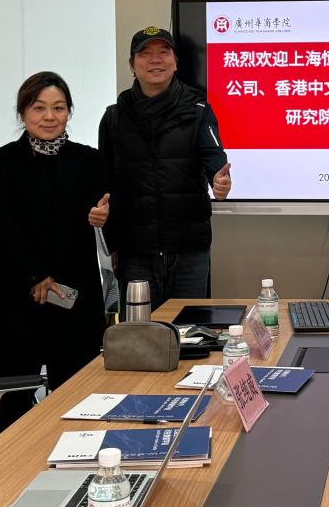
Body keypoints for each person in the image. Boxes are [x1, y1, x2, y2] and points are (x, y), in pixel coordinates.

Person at [0, 72, 109, 430]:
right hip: (18, 295)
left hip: (72, 294)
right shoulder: (1, 163)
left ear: (69, 112)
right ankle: (16, 458)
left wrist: (106, 215)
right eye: (39, 108)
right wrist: (36, 275)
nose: (49, 117)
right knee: (14, 394)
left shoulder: (89, 161)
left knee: (79, 393)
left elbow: (109, 208)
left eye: (58, 108)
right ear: (23, 112)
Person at [99, 26, 231, 314]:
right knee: (142, 333)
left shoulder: (198, 109)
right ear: (132, 65)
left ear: (175, 62)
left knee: (191, 330)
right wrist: (112, 244)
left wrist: (219, 181)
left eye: (163, 52)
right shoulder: (114, 117)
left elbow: (214, 158)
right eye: (145, 54)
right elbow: (105, 184)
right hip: (135, 252)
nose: (155, 60)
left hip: (189, 250)